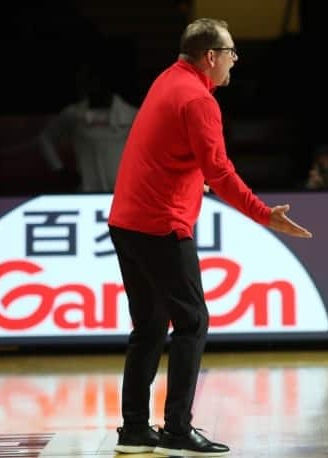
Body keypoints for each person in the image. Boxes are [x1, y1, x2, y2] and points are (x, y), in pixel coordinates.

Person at [108, 18, 312, 456]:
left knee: (147, 325)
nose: (236, 59)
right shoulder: (199, 100)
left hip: (126, 222)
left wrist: (189, 178)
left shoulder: (168, 79)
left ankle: (134, 428)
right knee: (192, 321)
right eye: (232, 51)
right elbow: (220, 171)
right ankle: (177, 428)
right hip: (160, 225)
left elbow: (164, 150)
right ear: (211, 57)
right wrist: (264, 215)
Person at [39, 60, 138, 192]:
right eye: (91, 81)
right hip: (85, 191)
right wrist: (59, 169)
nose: (96, 87)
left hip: (120, 193)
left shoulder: (132, 115)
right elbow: (45, 139)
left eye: (100, 82)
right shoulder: (73, 114)